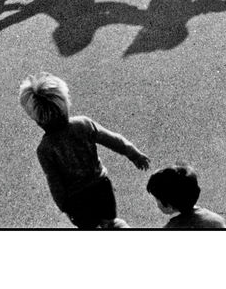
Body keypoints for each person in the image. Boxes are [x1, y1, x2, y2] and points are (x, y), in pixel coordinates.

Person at [19, 72, 151, 229]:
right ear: (65, 103)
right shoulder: (83, 125)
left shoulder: (44, 149)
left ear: (37, 120)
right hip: (101, 187)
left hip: (76, 200)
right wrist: (133, 154)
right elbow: (113, 140)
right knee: (111, 222)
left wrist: (63, 205)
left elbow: (54, 181)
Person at [146, 164, 226, 229]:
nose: (156, 202)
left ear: (168, 205)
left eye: (157, 198)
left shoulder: (173, 228)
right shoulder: (217, 219)